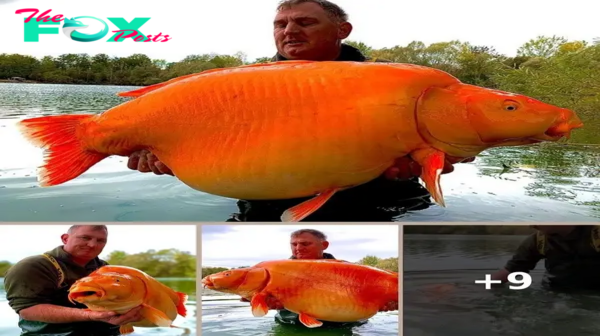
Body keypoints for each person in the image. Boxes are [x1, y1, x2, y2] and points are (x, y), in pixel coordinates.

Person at [126, 0, 475, 221]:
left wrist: (448, 154)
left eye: (305, 22)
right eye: (281, 24)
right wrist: (171, 161)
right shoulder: (240, 86)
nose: (290, 30)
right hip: (266, 211)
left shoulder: (401, 83)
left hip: (383, 210)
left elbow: (459, 138)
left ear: (343, 30)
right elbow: (220, 153)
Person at [3, 225, 143, 336]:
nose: (92, 244)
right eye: (85, 238)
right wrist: (91, 315)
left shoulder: (105, 267)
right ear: (65, 238)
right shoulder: (34, 265)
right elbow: (28, 310)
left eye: (100, 240)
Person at [241, 228, 398, 327]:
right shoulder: (273, 271)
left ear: (324, 245)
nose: (298, 249)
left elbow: (373, 299)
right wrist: (263, 301)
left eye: (305, 244)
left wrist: (386, 304)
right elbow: (257, 301)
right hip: (290, 324)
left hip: (340, 326)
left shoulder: (351, 271)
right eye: (294, 244)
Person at [490, 225, 600, 291]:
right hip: (554, 295)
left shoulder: (596, 233)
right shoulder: (537, 240)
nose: (531, 225)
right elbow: (512, 270)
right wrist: (482, 286)